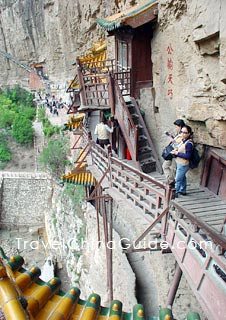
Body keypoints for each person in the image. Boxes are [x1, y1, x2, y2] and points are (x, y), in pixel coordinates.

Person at [171, 125, 193, 197]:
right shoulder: (183, 140)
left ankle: (174, 195)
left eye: (185, 133)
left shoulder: (189, 143)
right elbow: (179, 147)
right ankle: (183, 190)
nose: (183, 134)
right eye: (182, 132)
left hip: (183, 164)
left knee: (177, 179)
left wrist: (177, 153)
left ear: (189, 133)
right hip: (180, 162)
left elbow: (188, 156)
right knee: (182, 177)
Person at [162, 119, 185, 186]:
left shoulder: (183, 134)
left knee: (174, 169)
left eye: (176, 126)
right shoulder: (178, 133)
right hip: (171, 152)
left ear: (180, 126)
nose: (176, 128)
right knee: (165, 166)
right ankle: (170, 180)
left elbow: (181, 145)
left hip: (176, 154)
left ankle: (171, 182)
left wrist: (173, 141)